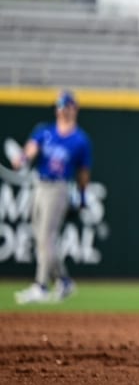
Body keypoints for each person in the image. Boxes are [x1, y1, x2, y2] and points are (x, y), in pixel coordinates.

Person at [11, 89, 91, 305]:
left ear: (75, 108)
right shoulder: (45, 131)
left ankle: (41, 286)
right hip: (40, 185)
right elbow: (29, 151)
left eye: (66, 106)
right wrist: (21, 159)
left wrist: (82, 196)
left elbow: (83, 172)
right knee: (41, 238)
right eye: (60, 106)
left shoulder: (79, 140)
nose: (62, 110)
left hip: (58, 188)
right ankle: (63, 280)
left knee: (46, 236)